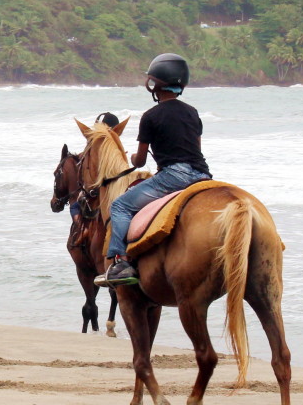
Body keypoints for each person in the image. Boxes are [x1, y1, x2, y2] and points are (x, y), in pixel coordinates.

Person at [97, 53, 211, 286]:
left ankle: (121, 262)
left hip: (174, 176)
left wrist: (134, 158)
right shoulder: (192, 112)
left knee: (119, 206)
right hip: (202, 175)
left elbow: (139, 162)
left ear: (155, 85)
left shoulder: (150, 116)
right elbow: (195, 148)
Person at [70, 112, 120, 225]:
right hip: (116, 188)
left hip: (100, 192)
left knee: (75, 207)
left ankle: (82, 231)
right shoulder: (117, 149)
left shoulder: (92, 148)